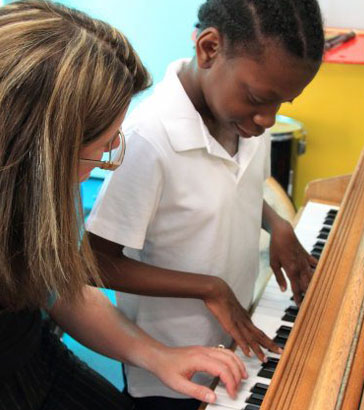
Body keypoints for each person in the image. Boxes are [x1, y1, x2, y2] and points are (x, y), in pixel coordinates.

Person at [0, 2, 247, 410]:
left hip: (34, 358)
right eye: (100, 149)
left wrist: (158, 354)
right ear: (36, 150)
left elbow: (55, 285)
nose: (108, 158)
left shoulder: (27, 191)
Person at [86, 0, 325, 409]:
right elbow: (94, 262)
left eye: (282, 105)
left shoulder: (245, 119)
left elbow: (228, 189)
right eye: (258, 98)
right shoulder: (148, 139)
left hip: (233, 349)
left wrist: (276, 224)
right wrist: (208, 289)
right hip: (171, 373)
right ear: (209, 49)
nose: (268, 119)